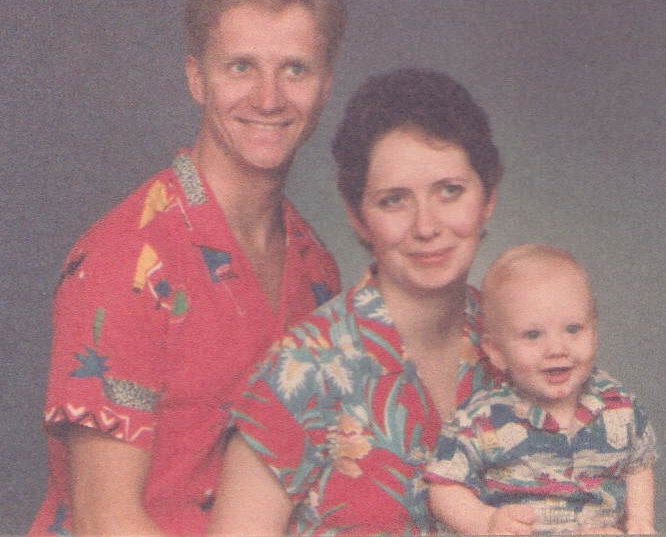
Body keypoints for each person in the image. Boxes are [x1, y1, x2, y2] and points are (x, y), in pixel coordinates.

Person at [29, 0, 347, 537]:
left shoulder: (315, 268)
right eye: (241, 67)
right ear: (197, 78)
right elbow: (105, 520)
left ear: (325, 86)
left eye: (295, 69)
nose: (270, 98)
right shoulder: (126, 259)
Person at [206, 68, 505, 536]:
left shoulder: (520, 338)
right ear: (358, 215)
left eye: (450, 191)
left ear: (487, 196)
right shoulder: (300, 371)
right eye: (394, 201)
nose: (426, 226)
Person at [426, 244, 657, 535]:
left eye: (573, 329)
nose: (557, 349)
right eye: (533, 335)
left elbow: (638, 467)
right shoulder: (480, 418)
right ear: (495, 350)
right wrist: (484, 521)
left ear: (594, 331)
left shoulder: (617, 404)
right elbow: (444, 487)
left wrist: (640, 523)